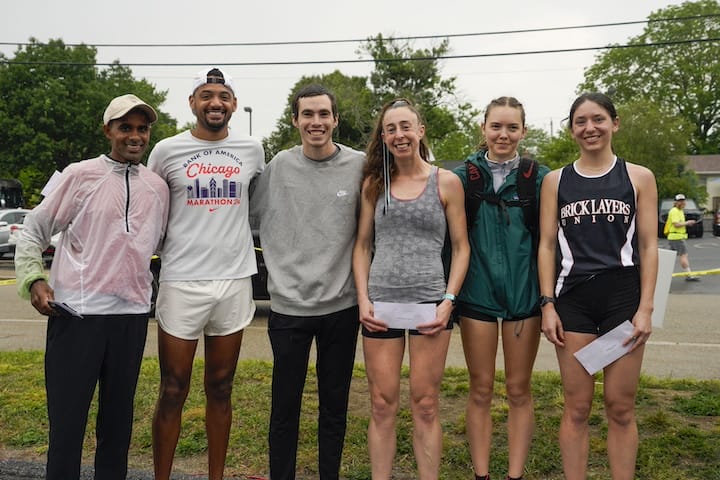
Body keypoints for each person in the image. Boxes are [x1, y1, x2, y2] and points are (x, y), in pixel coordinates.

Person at [14, 94, 169, 480]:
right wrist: (34, 279)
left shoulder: (157, 187)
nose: (135, 136)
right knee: (67, 426)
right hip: (76, 316)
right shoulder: (79, 175)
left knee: (117, 428)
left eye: (142, 128)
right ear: (108, 130)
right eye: (125, 128)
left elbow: (165, 245)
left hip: (130, 317)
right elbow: (33, 230)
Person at [148, 67, 265, 480]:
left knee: (220, 387)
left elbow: (260, 207)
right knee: (173, 388)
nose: (215, 103)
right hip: (181, 280)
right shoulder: (165, 150)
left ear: (233, 104)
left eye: (224, 96)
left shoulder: (252, 148)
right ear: (193, 103)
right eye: (206, 95)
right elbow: (151, 212)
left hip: (233, 280)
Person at [538, 92, 658, 480]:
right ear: (572, 129)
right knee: (576, 407)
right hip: (573, 301)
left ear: (614, 123)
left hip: (623, 300)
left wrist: (646, 308)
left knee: (620, 407)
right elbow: (545, 245)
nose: (590, 128)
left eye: (599, 119)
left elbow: (649, 246)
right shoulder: (557, 181)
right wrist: (547, 304)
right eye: (580, 121)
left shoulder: (639, 177)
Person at [249, 83, 365, 480]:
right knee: (284, 410)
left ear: (335, 119)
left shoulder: (359, 166)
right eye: (308, 115)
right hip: (288, 310)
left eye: (323, 114)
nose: (316, 122)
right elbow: (249, 220)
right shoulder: (278, 167)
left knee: (334, 408)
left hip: (342, 307)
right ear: (295, 120)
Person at [352, 98, 470, 479]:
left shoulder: (445, 182)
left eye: (406, 126)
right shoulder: (374, 183)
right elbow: (363, 245)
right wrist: (362, 299)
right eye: (391, 129)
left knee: (426, 404)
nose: (399, 135)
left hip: (430, 307)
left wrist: (448, 301)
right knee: (382, 404)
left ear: (420, 131)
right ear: (383, 137)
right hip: (381, 306)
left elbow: (461, 247)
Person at [453, 96, 550, 480]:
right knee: (480, 390)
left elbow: (552, 239)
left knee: (518, 390)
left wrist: (548, 299)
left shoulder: (537, 178)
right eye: (496, 126)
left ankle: (515, 474)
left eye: (512, 127)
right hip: (476, 297)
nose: (503, 134)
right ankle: (481, 474)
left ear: (523, 131)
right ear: (484, 128)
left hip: (524, 300)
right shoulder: (464, 177)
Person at [666, 193, 700, 281]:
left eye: (683, 201)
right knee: (683, 255)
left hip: (675, 237)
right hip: (677, 237)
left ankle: (662, 274)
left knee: (670, 257)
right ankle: (689, 275)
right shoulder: (674, 211)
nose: (681, 203)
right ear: (676, 202)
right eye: (679, 201)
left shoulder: (679, 211)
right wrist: (688, 223)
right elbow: (676, 224)